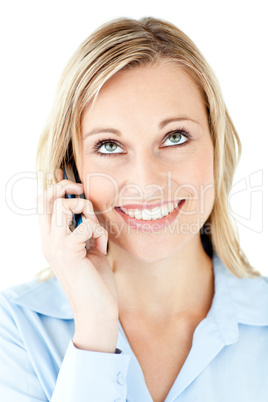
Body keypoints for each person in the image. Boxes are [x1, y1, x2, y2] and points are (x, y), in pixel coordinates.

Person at [0, 16, 267, 402]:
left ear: (215, 146)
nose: (146, 181)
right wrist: (94, 331)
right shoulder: (17, 327)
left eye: (175, 137)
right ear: (71, 170)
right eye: (109, 145)